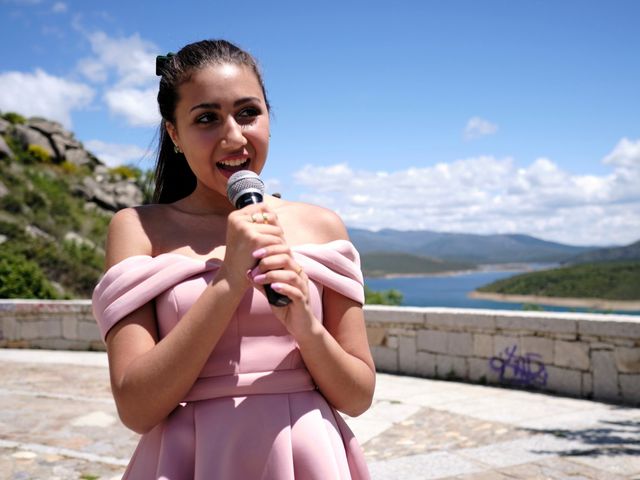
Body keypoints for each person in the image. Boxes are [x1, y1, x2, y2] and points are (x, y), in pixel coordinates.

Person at [92, 39, 376, 479]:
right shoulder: (139, 228)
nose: (235, 136)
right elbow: (136, 407)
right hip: (192, 460)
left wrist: (304, 322)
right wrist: (228, 280)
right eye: (207, 118)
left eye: (248, 113)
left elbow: (357, 398)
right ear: (174, 134)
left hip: (308, 457)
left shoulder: (323, 226)